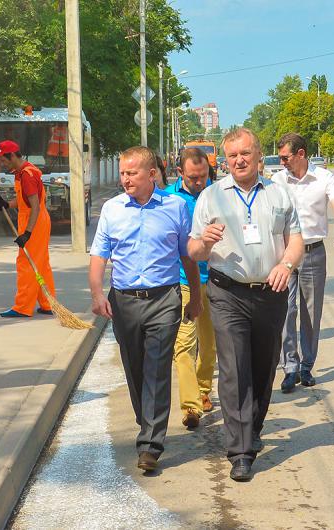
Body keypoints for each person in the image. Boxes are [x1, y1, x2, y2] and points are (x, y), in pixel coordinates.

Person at [188, 128, 304, 482]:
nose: (238, 160)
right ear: (224, 160)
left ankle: (252, 429)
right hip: (228, 293)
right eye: (232, 155)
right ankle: (240, 451)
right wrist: (205, 244)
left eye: (245, 154)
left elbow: (295, 240)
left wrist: (286, 265)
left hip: (271, 292)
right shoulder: (211, 196)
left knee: (264, 367)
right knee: (235, 369)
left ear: (257, 155)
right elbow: (193, 252)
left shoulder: (279, 194)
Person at [90, 146, 200, 473]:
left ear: (151, 174)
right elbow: (99, 255)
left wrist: (195, 297)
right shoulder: (112, 209)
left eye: (132, 173)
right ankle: (146, 420)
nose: (125, 179)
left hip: (164, 298)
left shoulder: (176, 207)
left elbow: (187, 256)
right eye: (123, 173)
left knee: (156, 368)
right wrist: (97, 293)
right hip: (124, 300)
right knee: (135, 367)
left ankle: (151, 443)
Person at [272, 133, 334, 393]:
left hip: (313, 253)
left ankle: (306, 366)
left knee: (310, 312)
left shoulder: (324, 178)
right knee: (286, 311)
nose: (282, 162)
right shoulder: (277, 180)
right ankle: (290, 367)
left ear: (301, 154)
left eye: (285, 157)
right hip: (285, 255)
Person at [164, 148, 217, 429]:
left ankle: (204, 388)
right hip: (183, 280)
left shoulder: (218, 194)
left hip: (217, 279)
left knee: (209, 343)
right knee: (184, 344)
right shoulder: (168, 199)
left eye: (204, 177)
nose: (199, 183)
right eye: (194, 178)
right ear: (180, 173)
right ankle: (190, 406)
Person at [0, 140, 55, 318]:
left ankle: (22, 307)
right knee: (40, 264)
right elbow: (24, 202)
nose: (1, 163)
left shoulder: (27, 175)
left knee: (26, 264)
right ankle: (48, 303)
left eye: (3, 160)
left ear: (12, 156)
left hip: (34, 223)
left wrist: (27, 233)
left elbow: (34, 207)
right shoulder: (22, 172)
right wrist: (7, 204)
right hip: (36, 221)